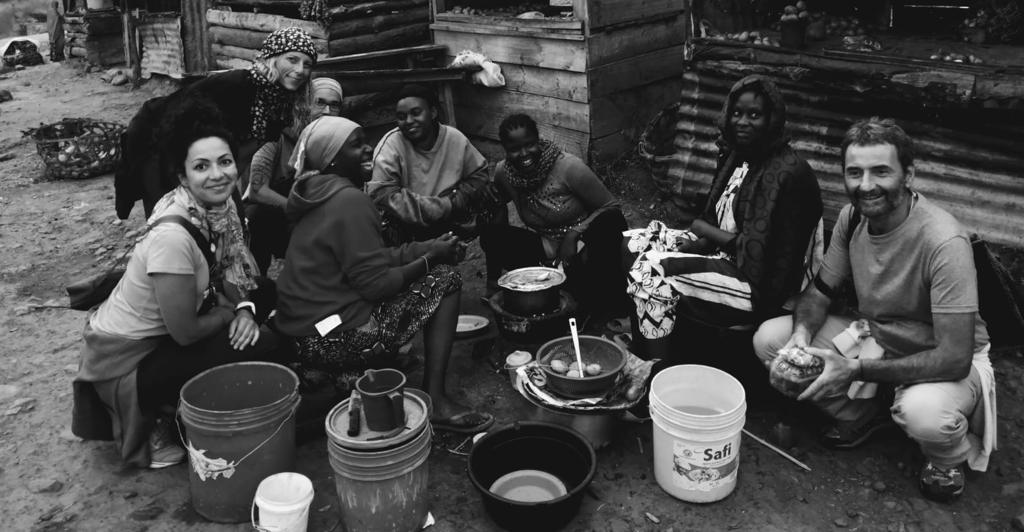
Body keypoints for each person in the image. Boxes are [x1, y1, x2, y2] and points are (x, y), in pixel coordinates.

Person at [753, 117, 996, 502]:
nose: (866, 185)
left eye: (880, 171)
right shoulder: (853, 220)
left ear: (909, 175)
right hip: (879, 335)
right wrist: (799, 340)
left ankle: (947, 456)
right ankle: (866, 417)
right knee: (772, 341)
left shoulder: (943, 242)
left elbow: (954, 357)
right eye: (855, 173)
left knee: (924, 415)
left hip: (941, 357)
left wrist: (856, 369)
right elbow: (819, 293)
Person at [71, 99, 286, 469]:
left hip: (177, 327)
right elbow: (185, 333)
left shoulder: (219, 208)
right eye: (201, 166)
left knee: (264, 293)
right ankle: (157, 417)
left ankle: (195, 393)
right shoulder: (174, 235)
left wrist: (245, 311)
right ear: (183, 176)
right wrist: (228, 311)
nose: (218, 174)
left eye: (225, 161)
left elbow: (235, 275)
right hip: (127, 361)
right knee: (265, 346)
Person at [275, 116, 494, 434]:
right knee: (446, 280)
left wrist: (425, 247)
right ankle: (436, 401)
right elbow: (376, 285)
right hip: (333, 337)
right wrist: (432, 259)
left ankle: (344, 376)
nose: (368, 149)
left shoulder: (315, 193)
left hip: (304, 334)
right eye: (356, 144)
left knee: (423, 272)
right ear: (331, 158)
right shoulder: (350, 201)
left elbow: (368, 260)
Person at [624, 75, 822, 360]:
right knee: (632, 245)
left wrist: (702, 230)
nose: (742, 122)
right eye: (737, 113)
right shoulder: (741, 154)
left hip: (760, 287)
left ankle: (653, 367)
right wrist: (695, 243)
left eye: (754, 115)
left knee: (650, 272)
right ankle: (664, 343)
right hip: (725, 254)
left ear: (772, 119)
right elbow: (716, 220)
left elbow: (756, 254)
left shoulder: (784, 172)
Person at [115, 27, 318, 219]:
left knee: (231, 222)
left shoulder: (280, 103)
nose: (300, 70)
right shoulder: (235, 85)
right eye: (292, 59)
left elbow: (244, 153)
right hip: (163, 151)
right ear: (273, 58)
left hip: (212, 164)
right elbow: (174, 124)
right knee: (175, 219)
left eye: (307, 64)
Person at [488, 113, 629, 321]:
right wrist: (493, 280)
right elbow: (498, 210)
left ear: (539, 141)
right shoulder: (504, 173)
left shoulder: (568, 167)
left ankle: (592, 296)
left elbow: (611, 207)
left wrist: (574, 234)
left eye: (529, 145)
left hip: (584, 248)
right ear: (505, 150)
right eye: (514, 149)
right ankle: (549, 287)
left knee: (611, 223)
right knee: (492, 235)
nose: (524, 154)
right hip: (546, 253)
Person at [366, 84, 505, 252]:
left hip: (452, 211)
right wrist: (439, 207)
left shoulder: (453, 138)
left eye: (416, 113)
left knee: (495, 201)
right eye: (401, 116)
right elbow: (382, 196)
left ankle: (495, 271)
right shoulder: (391, 145)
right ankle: (415, 265)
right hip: (411, 220)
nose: (408, 121)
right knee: (386, 224)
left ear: (432, 112)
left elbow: (479, 174)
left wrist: (458, 198)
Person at [244, 77, 344, 274]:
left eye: (334, 105)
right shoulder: (278, 135)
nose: (326, 111)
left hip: (313, 213)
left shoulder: (340, 143)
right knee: (257, 216)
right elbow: (257, 191)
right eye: (320, 102)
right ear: (305, 104)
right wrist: (300, 210)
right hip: (275, 216)